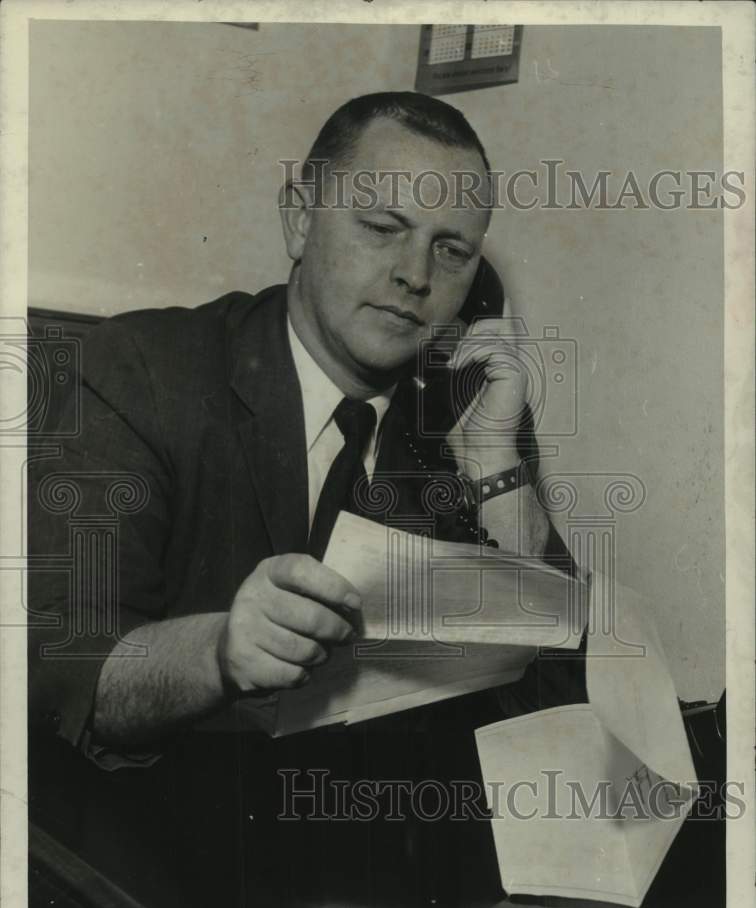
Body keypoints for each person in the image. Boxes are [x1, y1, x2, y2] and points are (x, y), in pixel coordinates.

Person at [29, 90, 584, 764]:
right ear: (299, 220)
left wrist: (498, 474)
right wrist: (221, 650)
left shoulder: (474, 417)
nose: (413, 275)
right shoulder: (143, 371)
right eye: (382, 228)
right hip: (173, 821)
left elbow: (565, 700)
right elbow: (67, 667)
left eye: (452, 252)